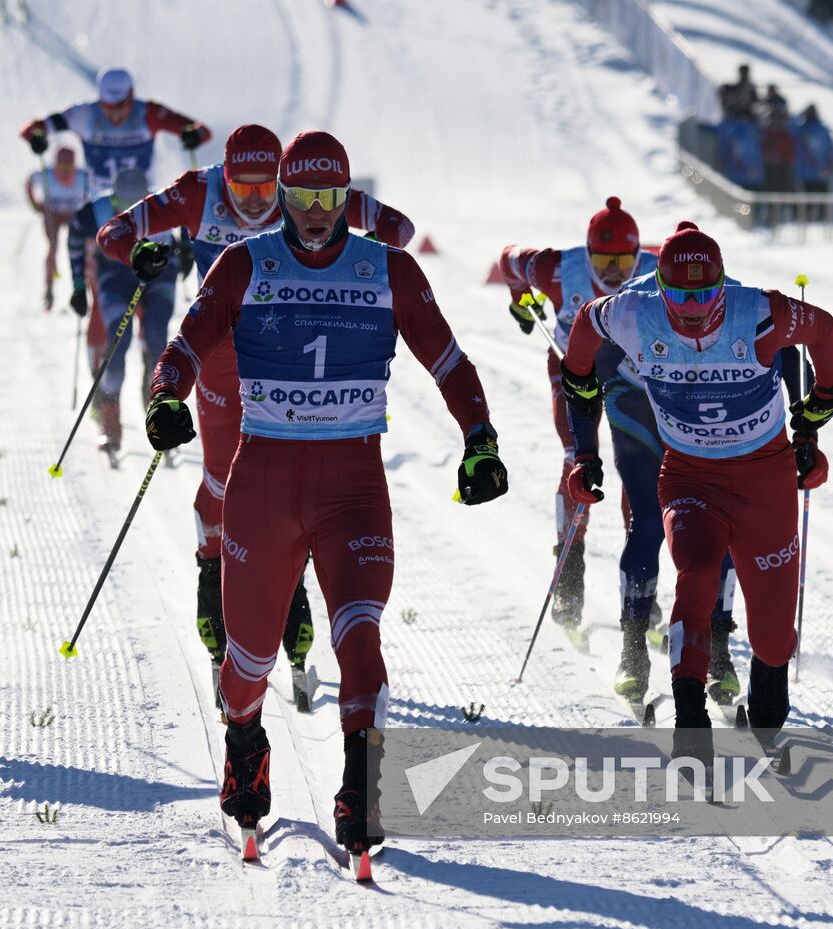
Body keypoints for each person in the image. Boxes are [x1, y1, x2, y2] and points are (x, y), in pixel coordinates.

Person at [144, 131, 507, 854]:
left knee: (361, 638)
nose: (316, 212)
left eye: (330, 197)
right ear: (283, 194)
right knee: (248, 665)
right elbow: (185, 345)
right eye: (304, 196)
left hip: (353, 488)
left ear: (348, 197)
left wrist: (481, 439)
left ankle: (360, 790)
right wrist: (165, 397)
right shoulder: (245, 262)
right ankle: (245, 746)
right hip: (263, 486)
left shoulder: (388, 269)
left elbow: (449, 360)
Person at [97, 123, 416, 692]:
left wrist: (365, 254)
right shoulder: (197, 191)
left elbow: (399, 228)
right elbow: (113, 230)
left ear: (284, 183)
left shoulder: (308, 194)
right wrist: (137, 251)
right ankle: (211, 569)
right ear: (224, 178)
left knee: (295, 474)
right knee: (225, 476)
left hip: (290, 349)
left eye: (266, 191)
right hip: (222, 350)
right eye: (241, 191)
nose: (253, 203)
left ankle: (290, 587)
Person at [559, 221, 833, 757]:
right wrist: (579, 384)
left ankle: (767, 702)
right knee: (696, 570)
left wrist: (823, 400)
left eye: (706, 294)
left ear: (722, 285)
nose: (693, 309)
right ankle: (689, 710)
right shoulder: (632, 312)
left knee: (773, 639)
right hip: (691, 475)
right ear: (658, 286)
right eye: (680, 295)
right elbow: (584, 324)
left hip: (764, 479)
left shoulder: (757, 310)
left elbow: (823, 329)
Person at [498, 198, 740, 703]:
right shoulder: (557, 268)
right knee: (577, 458)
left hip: (636, 381)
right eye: (603, 261)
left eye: (623, 261)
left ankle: (645, 594)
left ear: (638, 254)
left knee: (649, 485)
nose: (613, 272)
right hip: (573, 373)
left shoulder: (659, 270)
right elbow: (508, 259)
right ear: (587, 253)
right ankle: (570, 572)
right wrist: (521, 299)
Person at [67, 167, 179, 460]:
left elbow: (191, 228)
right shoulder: (96, 210)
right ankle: (110, 419)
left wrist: (188, 253)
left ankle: (159, 414)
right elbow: (75, 237)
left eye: (137, 206)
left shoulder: (163, 204)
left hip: (159, 276)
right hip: (115, 277)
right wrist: (78, 285)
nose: (129, 214)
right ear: (114, 198)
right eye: (122, 207)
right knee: (118, 340)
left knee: (157, 338)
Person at [19, 67, 212, 192]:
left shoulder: (148, 113)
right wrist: (35, 136)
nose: (115, 114)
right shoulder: (84, 114)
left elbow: (203, 131)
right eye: (108, 107)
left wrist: (194, 135)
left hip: (142, 200)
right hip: (100, 200)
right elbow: (31, 129)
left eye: (121, 106)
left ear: (131, 96)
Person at [25, 146, 87, 311]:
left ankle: (82, 287)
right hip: (52, 214)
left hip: (73, 215)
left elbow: (94, 186)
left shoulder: (82, 176)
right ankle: (49, 288)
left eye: (69, 165)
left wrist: (87, 203)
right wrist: (35, 204)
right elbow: (29, 181)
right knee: (53, 246)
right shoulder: (47, 175)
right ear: (56, 164)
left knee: (81, 247)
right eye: (62, 164)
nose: (65, 170)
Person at [793, 105, 833, 220]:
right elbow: (790, 126)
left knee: (822, 204)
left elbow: (830, 149)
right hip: (806, 174)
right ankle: (806, 220)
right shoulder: (801, 129)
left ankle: (823, 221)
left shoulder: (822, 129)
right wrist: (800, 116)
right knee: (807, 204)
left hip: (821, 173)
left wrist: (830, 163)